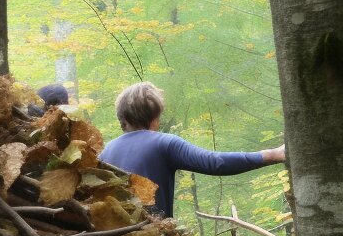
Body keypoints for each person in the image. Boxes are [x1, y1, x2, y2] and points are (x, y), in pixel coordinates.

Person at [98, 82, 285, 218]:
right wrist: (272, 155)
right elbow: (215, 163)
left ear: (122, 118)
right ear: (155, 116)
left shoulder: (105, 152)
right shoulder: (164, 143)